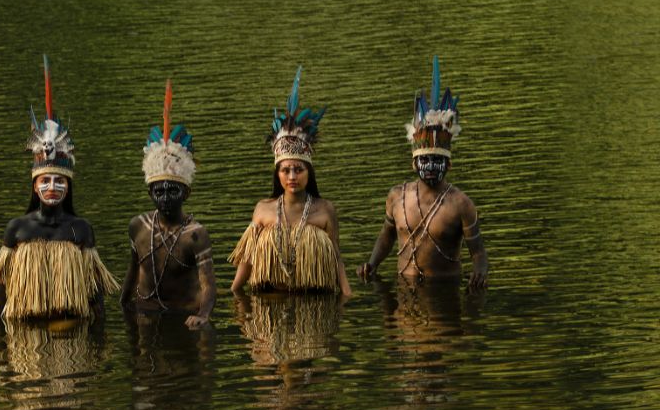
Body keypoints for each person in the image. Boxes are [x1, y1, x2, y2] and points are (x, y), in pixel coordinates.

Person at [0, 56, 118, 320]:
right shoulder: (17, 229)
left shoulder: (81, 229)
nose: (52, 187)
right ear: (34, 187)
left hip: (72, 334)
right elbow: (1, 293)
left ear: (68, 187)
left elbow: (95, 296)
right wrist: (0, 344)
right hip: (26, 340)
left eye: (59, 181)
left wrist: (98, 343)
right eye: (45, 181)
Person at [358, 56, 488, 289]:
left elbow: (478, 252)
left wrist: (479, 273)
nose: (430, 166)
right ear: (413, 164)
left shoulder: (461, 203)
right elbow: (387, 237)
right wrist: (372, 264)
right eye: (424, 160)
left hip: (445, 289)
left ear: (448, 165)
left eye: (437, 160)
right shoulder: (397, 197)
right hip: (404, 288)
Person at [229, 67, 352, 296]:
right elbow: (246, 260)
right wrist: (234, 293)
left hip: (316, 305)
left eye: (299, 169)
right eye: (286, 170)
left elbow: (336, 258)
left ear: (309, 172)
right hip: (269, 306)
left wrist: (347, 296)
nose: (292, 177)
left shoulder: (325, 210)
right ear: (277, 174)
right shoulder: (262, 209)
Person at [120, 80, 215, 329]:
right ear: (150, 192)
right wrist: (122, 307)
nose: (165, 197)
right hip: (144, 312)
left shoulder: (195, 234)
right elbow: (132, 272)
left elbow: (208, 286)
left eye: (172, 190)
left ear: (186, 193)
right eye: (158, 191)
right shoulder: (138, 226)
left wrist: (203, 315)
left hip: (184, 316)